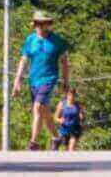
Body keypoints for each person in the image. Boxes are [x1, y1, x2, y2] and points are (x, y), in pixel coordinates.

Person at [12, 10, 71, 151]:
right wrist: (17, 81)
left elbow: (64, 62)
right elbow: (24, 60)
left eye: (41, 23)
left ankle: (33, 143)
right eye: (36, 23)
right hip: (34, 80)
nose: (38, 25)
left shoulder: (57, 41)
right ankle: (56, 137)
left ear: (47, 24)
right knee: (43, 111)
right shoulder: (30, 40)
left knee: (38, 107)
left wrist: (65, 81)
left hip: (49, 78)